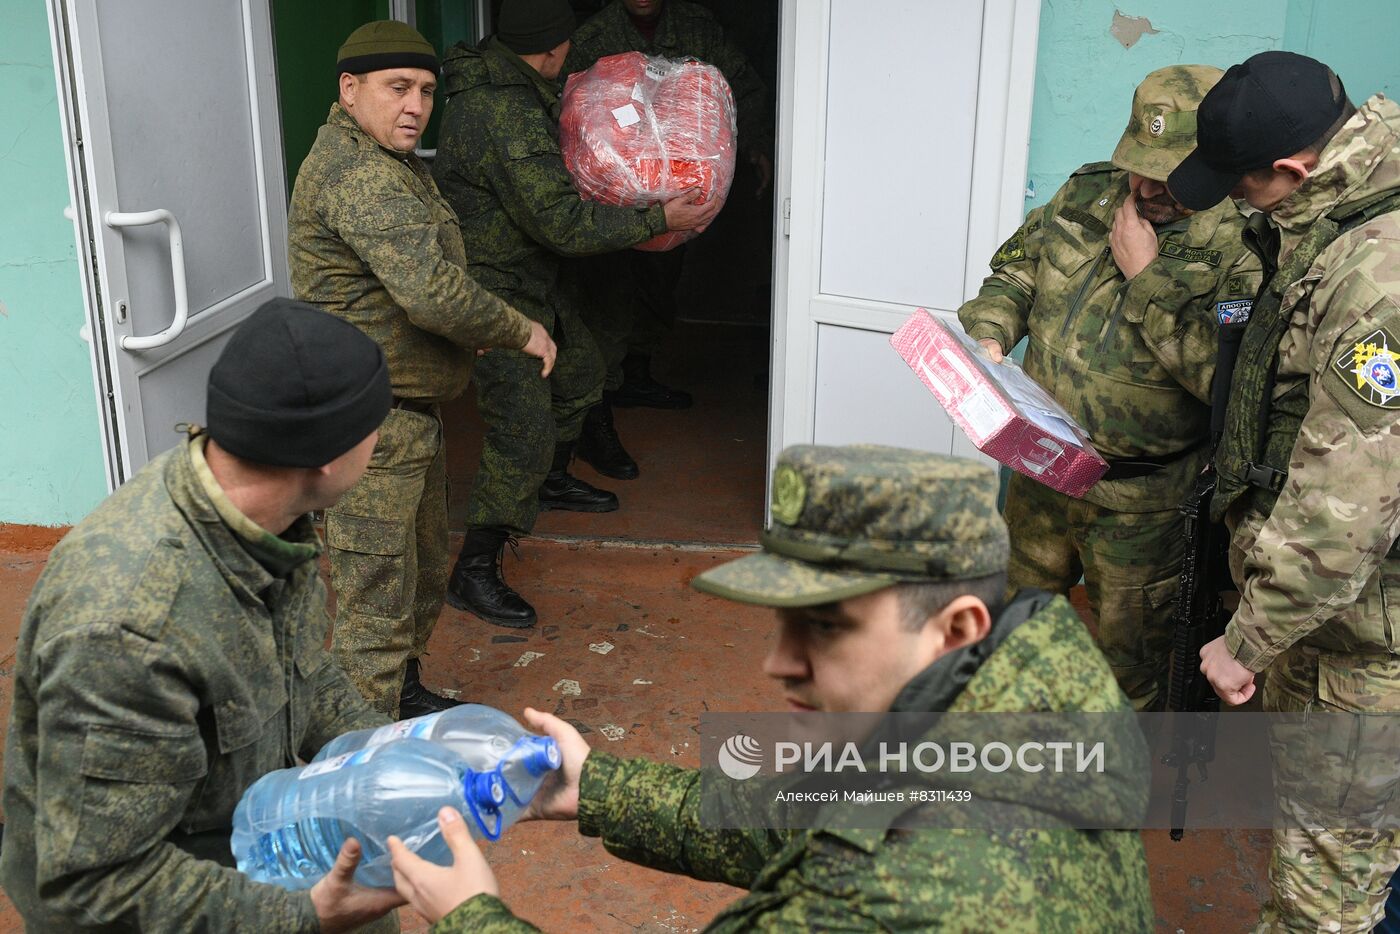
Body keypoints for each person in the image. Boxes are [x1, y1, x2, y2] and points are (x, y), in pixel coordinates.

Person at [383, 444, 1154, 931]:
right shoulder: (1025, 693)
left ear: (956, 625)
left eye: (824, 628)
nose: (777, 665)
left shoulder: (899, 896)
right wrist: (598, 789)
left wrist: (471, 918)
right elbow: (817, 819)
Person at [0, 299, 404, 932]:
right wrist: (302, 918)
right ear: (327, 454)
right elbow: (92, 885)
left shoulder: (259, 520)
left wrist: (401, 757)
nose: (382, 441)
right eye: (378, 422)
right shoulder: (131, 628)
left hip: (239, 829)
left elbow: (304, 674)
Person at [1171, 51, 1400, 931]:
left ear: (1295, 168)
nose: (1241, 201)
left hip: (1365, 636)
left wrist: (1247, 641)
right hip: (1342, 616)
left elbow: (1347, 512)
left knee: (1323, 902)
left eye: (1245, 187)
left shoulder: (1376, 274)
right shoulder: (1353, 202)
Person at [957, 65, 1264, 712]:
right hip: (1039, 470)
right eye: (1139, 162)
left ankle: (1111, 791)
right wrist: (989, 337)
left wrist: (1146, 275)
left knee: (1132, 664)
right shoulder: (1085, 192)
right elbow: (1014, 278)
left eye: (1170, 172)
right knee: (1017, 625)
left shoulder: (1243, 247)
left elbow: (1228, 384)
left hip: (1140, 500)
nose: (1148, 185)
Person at [289, 21, 554, 715]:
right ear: (351, 90)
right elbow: (429, 290)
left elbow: (420, 281)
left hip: (403, 418)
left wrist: (470, 335)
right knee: (375, 606)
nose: (415, 105)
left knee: (419, 575)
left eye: (427, 91)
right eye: (397, 88)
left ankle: (399, 698)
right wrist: (515, 327)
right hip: (369, 427)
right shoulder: (359, 175)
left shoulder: (387, 159)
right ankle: (357, 768)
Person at [431, 0, 720, 629]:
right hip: (495, 292)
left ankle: (549, 481)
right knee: (522, 427)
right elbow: (560, 221)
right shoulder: (503, 110)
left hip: (530, 276)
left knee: (582, 375)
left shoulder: (515, 84)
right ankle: (474, 570)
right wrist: (658, 217)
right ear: (557, 47)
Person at [562, 0, 774, 411]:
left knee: (659, 280)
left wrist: (758, 144)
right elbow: (568, 107)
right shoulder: (593, 36)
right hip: (610, 194)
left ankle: (637, 374)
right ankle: (597, 406)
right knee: (607, 293)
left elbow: (742, 85)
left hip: (679, 188)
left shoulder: (696, 26)